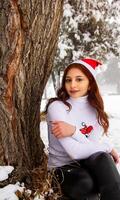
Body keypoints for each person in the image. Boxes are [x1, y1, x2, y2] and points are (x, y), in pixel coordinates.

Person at [45, 58, 120, 200]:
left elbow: (88, 145)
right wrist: (107, 147)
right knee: (86, 183)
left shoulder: (95, 110)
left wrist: (73, 131)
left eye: (79, 79)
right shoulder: (58, 107)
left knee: (103, 158)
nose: (72, 85)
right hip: (61, 167)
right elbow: (75, 152)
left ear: (90, 84)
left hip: (86, 162)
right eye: (68, 80)